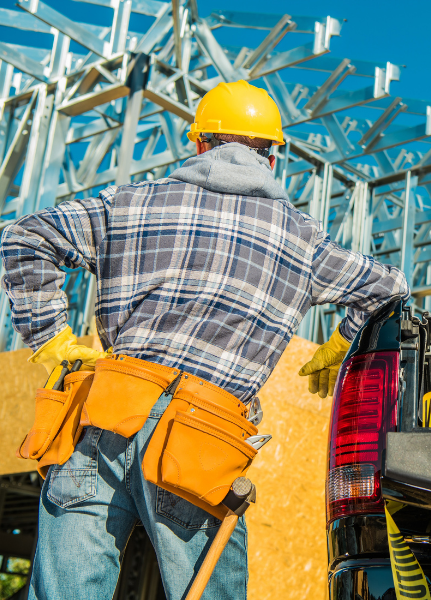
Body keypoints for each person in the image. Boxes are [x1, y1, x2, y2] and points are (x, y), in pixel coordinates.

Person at [1, 79, 409, 599]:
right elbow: (388, 287)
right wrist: (340, 343)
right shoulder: (302, 239)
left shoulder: (132, 202)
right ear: (273, 159)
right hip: (202, 437)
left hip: (106, 411)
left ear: (198, 144)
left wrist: (50, 339)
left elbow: (25, 236)